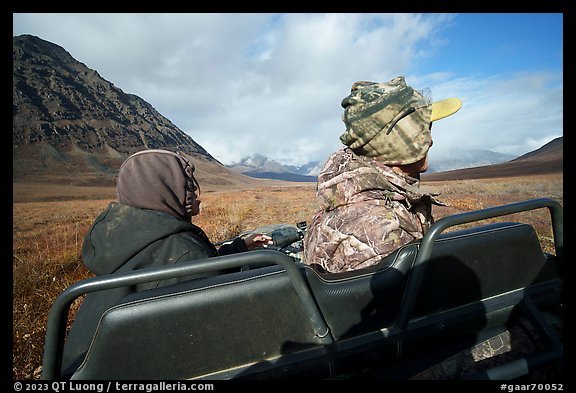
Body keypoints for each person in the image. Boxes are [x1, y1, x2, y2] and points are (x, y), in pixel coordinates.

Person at [62, 149, 272, 375]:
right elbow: (219, 327)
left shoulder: (132, 236)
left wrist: (240, 247)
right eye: (187, 185)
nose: (194, 193)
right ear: (165, 188)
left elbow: (188, 270)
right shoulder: (179, 247)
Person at [303, 76, 462, 273]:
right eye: (423, 131)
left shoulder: (356, 188)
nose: (430, 141)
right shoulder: (381, 232)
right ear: (398, 144)